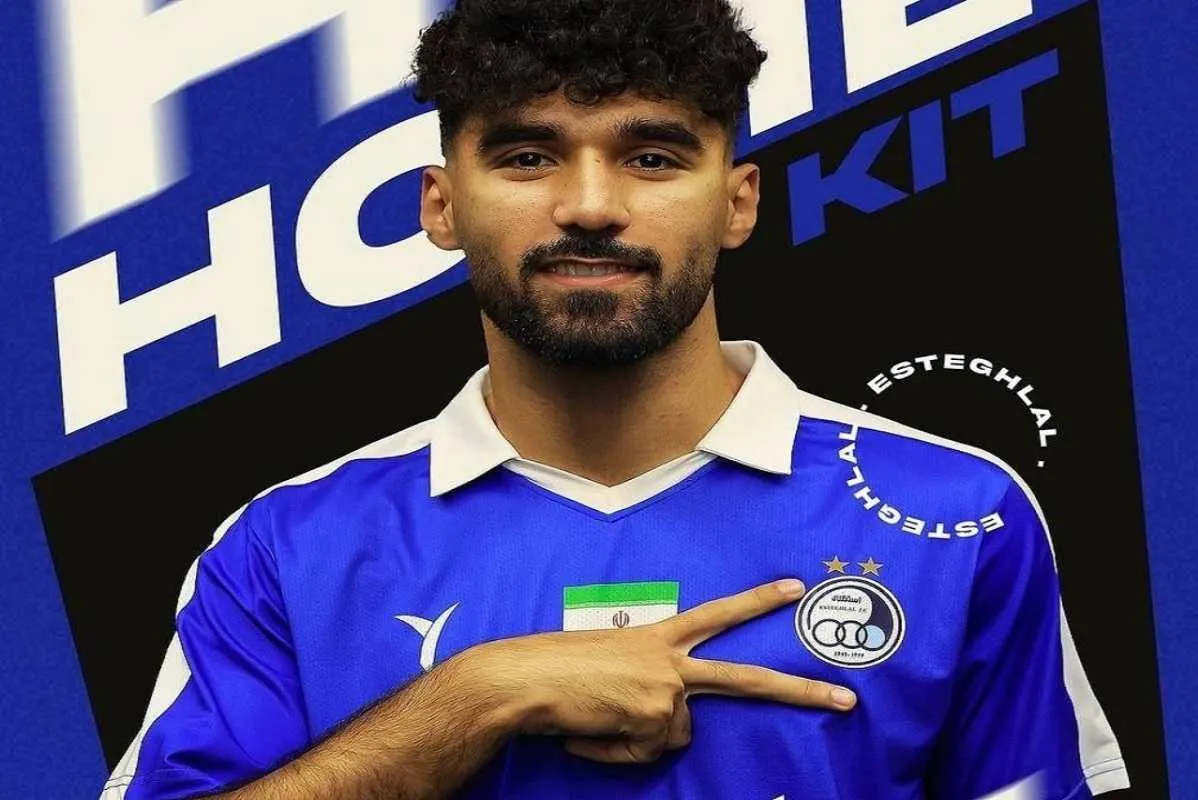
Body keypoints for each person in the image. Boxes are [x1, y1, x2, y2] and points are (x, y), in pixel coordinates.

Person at [101, 1, 1129, 798]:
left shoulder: (957, 512)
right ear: (441, 205)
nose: (590, 205)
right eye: (527, 155)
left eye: (651, 157)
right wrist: (474, 696)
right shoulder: (287, 545)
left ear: (738, 201)